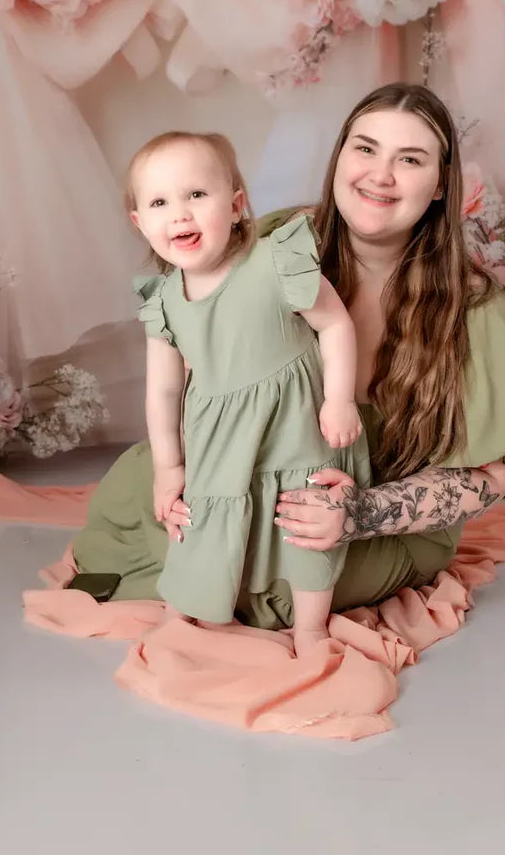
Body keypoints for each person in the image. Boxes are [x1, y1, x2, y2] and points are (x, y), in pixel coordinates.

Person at [72, 83, 505, 632]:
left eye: (411, 159)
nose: (380, 175)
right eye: (365, 148)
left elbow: (494, 474)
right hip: (262, 465)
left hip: (377, 510)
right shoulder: (279, 239)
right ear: (339, 157)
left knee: (279, 579)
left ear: (441, 184)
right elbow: (192, 316)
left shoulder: (475, 303)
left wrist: (359, 515)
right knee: (145, 484)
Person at [124, 130, 370, 656]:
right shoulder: (165, 302)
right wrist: (169, 469)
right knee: (200, 520)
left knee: (304, 518)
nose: (181, 214)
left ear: (236, 206)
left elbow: (334, 325)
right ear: (141, 224)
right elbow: (164, 393)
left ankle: (311, 628)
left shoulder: (274, 262)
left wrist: (339, 399)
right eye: (161, 202)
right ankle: (187, 611)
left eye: (197, 195)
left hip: (296, 424)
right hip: (218, 439)